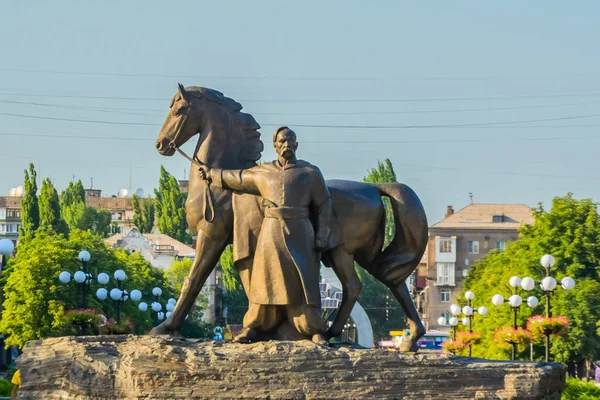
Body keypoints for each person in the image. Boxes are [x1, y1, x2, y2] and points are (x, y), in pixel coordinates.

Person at [200, 126, 337, 344]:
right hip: (270, 231)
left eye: (290, 141)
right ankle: (254, 326)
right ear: (275, 145)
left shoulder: (310, 173)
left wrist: (323, 233)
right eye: (282, 141)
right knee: (264, 281)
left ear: (297, 144)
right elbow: (237, 178)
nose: (286, 145)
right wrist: (212, 174)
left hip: (301, 231)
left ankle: (313, 328)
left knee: (304, 282)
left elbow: (324, 203)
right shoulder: (262, 172)